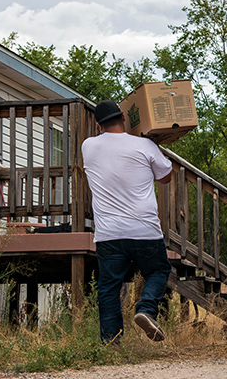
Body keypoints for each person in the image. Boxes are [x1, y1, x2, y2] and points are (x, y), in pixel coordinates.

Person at [82, 100, 172, 343]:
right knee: (159, 270)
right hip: (144, 229)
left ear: (98, 125)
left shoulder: (88, 146)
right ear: (123, 116)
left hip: (108, 233)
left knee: (109, 287)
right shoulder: (145, 145)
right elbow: (165, 177)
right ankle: (146, 310)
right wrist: (155, 145)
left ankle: (111, 342)